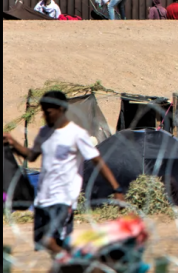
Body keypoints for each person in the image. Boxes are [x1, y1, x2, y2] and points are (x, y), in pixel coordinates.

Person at [3, 91, 124, 254]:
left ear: (61, 109)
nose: (45, 115)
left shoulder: (77, 134)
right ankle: (76, 264)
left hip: (63, 199)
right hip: (43, 199)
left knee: (50, 241)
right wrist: (13, 143)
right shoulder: (44, 132)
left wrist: (116, 189)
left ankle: (83, 263)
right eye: (43, 111)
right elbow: (32, 156)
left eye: (48, 112)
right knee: (48, 246)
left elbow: (97, 161)